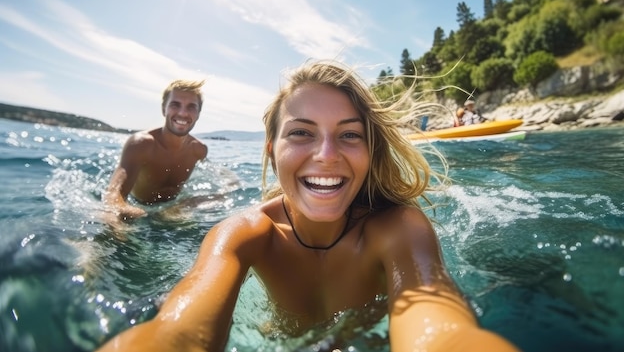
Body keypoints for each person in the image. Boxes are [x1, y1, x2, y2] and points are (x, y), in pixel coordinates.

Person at [96, 61, 520, 351]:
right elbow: (178, 331)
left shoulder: (399, 228)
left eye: (350, 135)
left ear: (371, 149)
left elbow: (443, 331)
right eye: (301, 133)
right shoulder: (244, 233)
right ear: (271, 149)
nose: (327, 154)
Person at [103, 79, 208, 220]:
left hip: (173, 212)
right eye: (175, 105)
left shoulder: (198, 150)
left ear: (198, 113)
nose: (183, 113)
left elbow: (215, 175)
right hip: (139, 208)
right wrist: (124, 211)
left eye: (191, 107)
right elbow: (114, 195)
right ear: (163, 109)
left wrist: (187, 205)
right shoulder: (142, 144)